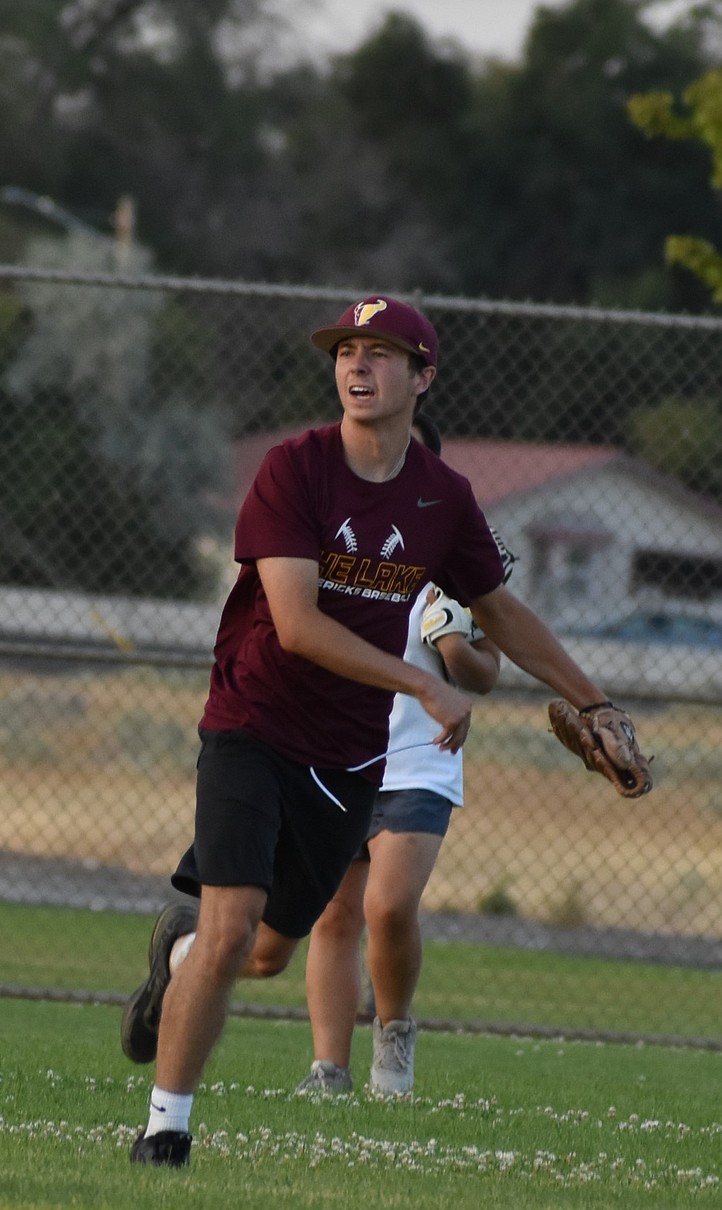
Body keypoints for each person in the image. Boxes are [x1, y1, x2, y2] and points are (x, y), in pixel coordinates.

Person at [121, 294, 631, 1169]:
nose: (358, 365)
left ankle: (183, 947)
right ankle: (165, 1130)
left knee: (267, 953)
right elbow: (295, 623)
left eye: (383, 353)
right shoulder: (295, 469)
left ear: (423, 377)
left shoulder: (444, 499)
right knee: (242, 924)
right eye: (348, 350)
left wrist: (593, 702)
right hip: (253, 720)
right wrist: (421, 689)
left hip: (347, 754)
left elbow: (498, 611)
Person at [297, 411, 512, 1100]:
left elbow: (486, 673)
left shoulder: (456, 550)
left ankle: (395, 1030)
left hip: (419, 758)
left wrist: (450, 637)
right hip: (341, 749)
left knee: (388, 907)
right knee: (333, 914)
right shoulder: (338, 539)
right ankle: (328, 1070)